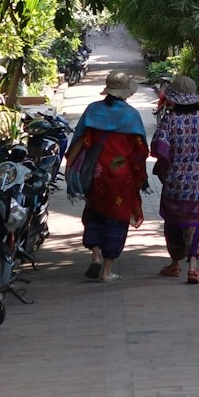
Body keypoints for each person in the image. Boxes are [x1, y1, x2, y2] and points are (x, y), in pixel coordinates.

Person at [66, 71, 148, 282]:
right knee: (117, 220)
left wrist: (69, 168)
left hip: (96, 174)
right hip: (122, 178)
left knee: (94, 213)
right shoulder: (132, 116)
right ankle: (106, 271)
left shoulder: (93, 110)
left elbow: (78, 141)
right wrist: (142, 178)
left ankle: (95, 254)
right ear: (125, 93)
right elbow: (140, 152)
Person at [149, 75, 199, 284]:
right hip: (196, 179)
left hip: (174, 179)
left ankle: (175, 264)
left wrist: (166, 168)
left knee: (173, 220)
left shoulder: (169, 120)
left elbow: (159, 148)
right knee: (195, 221)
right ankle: (194, 267)